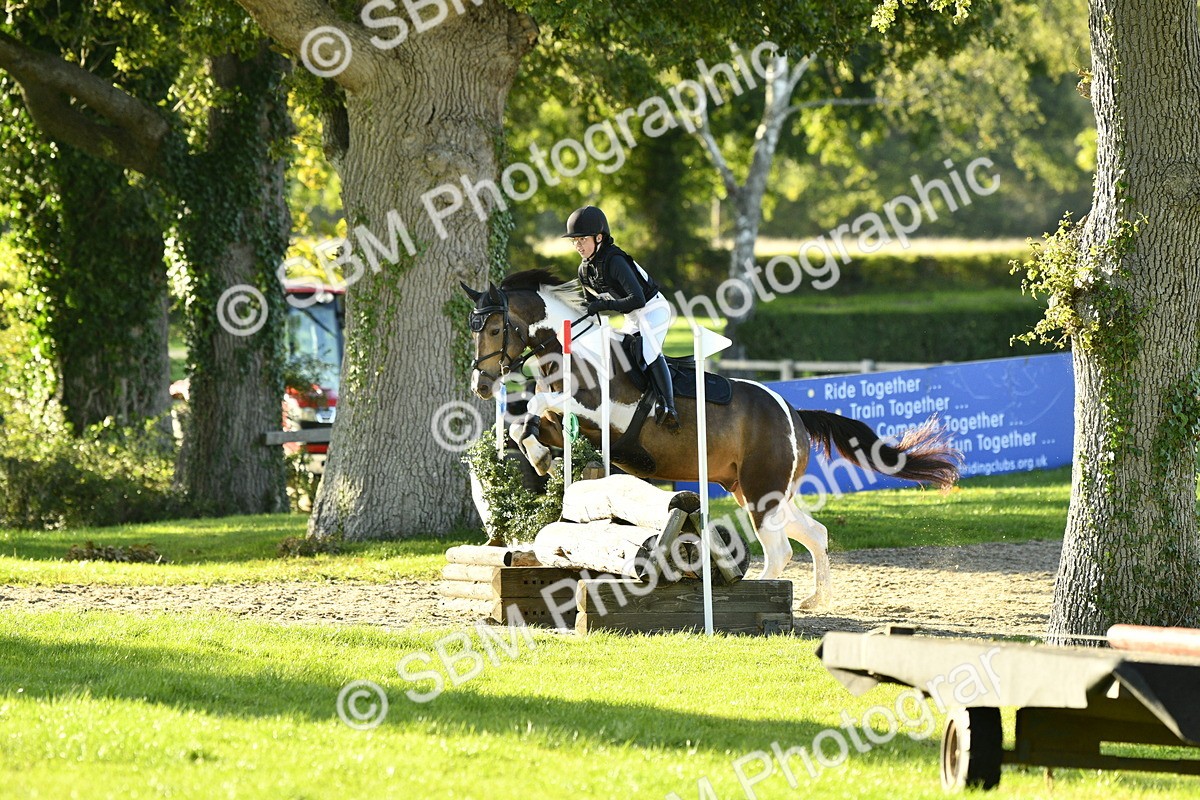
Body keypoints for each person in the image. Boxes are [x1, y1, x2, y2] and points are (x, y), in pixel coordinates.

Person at [562, 205, 678, 429]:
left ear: (599, 237)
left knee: (649, 352)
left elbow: (638, 300)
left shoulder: (615, 261)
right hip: (632, 317)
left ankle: (669, 406)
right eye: (574, 241)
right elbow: (590, 307)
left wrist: (604, 304)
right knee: (617, 353)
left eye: (582, 239)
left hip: (653, 310)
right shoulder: (584, 270)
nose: (578, 245)